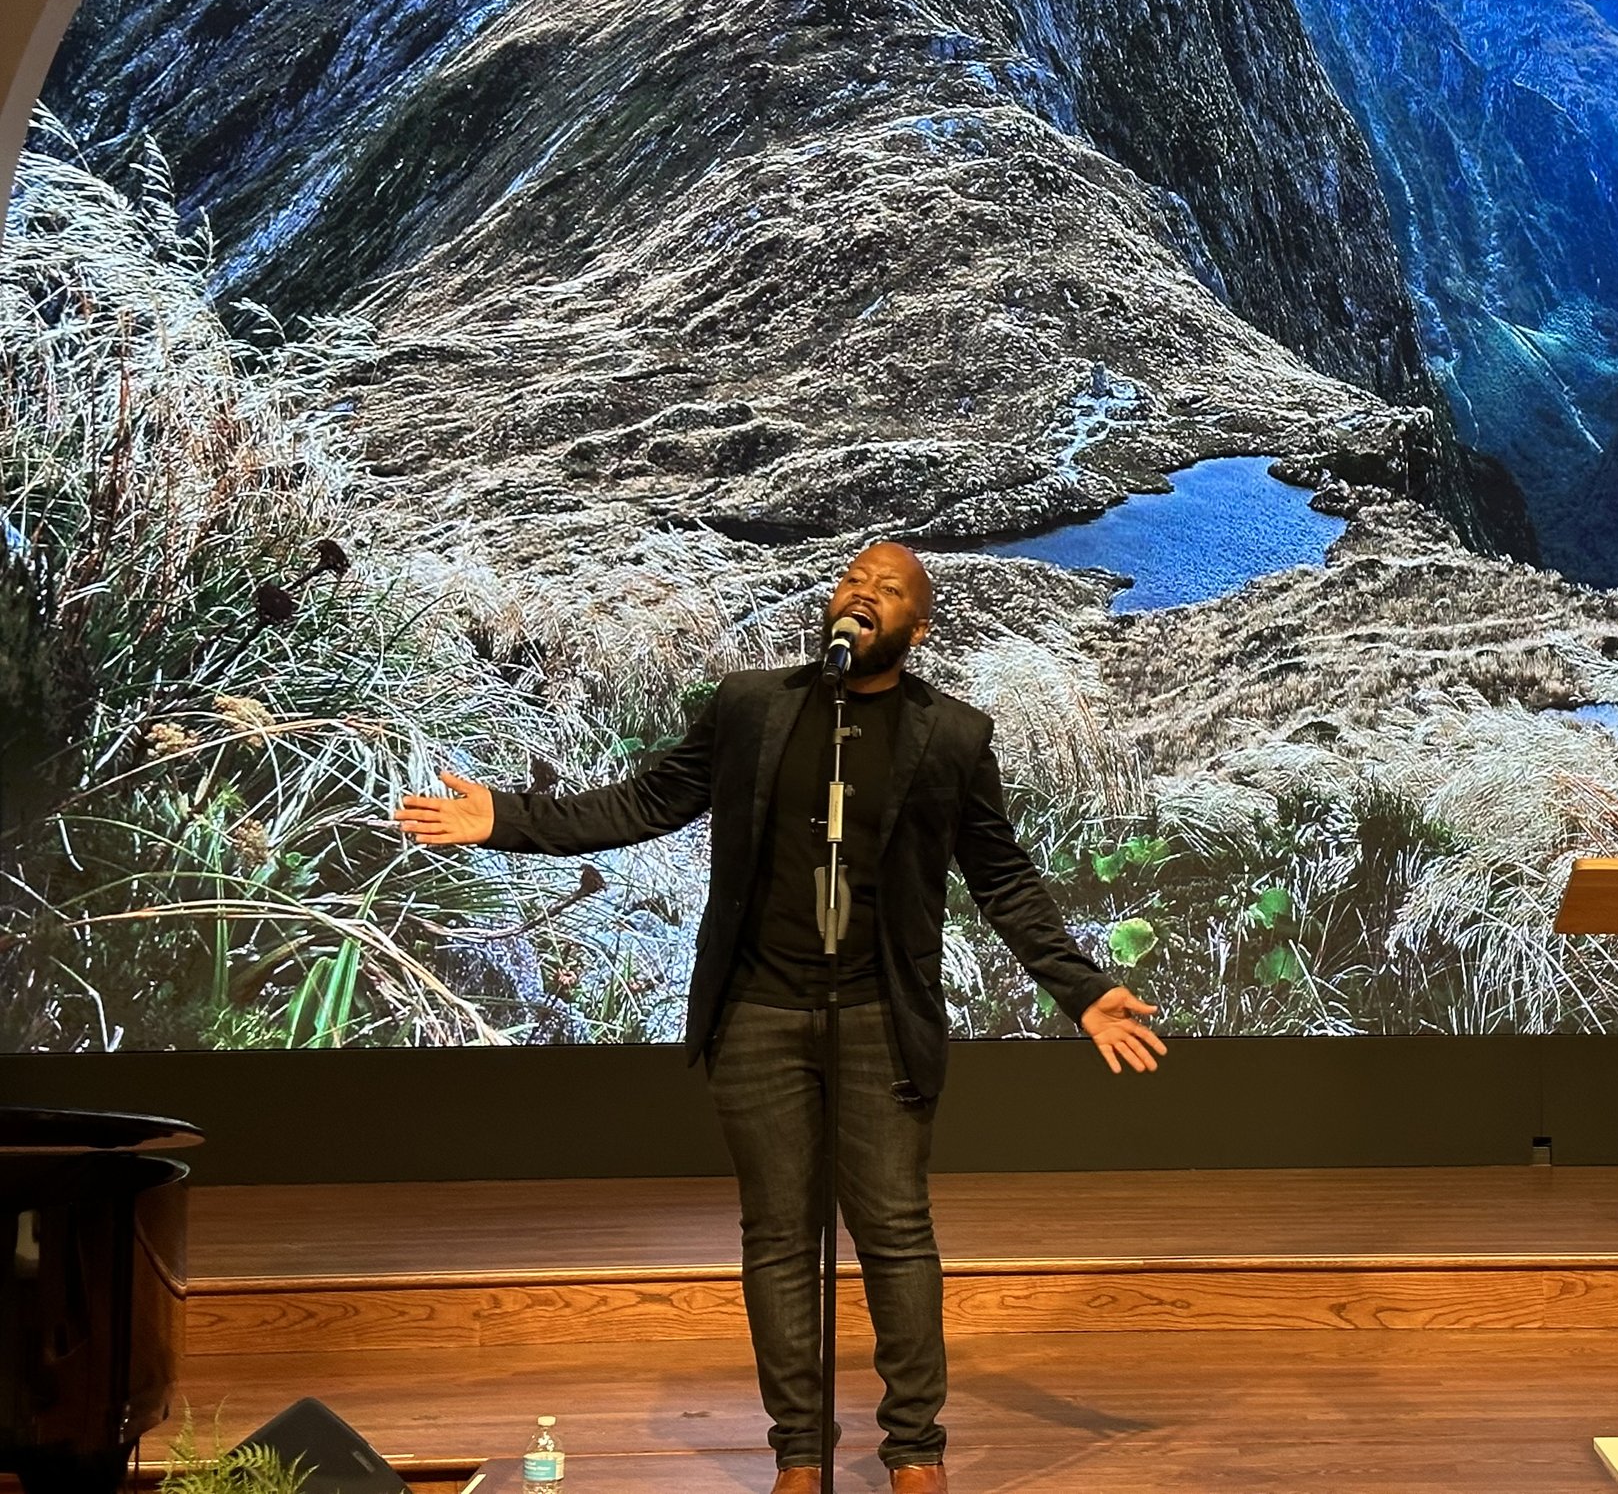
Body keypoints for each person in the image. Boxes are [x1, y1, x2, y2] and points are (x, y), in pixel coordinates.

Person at [394, 541, 1166, 1494]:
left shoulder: (954, 737)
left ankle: (915, 1451)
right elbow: (651, 798)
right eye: (852, 581)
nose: (860, 595)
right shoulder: (753, 706)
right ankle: (799, 1451)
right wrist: (508, 819)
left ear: (916, 630)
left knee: (894, 1231)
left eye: (885, 591)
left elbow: (1000, 877)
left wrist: (1081, 987)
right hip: (758, 1011)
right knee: (778, 1235)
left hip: (881, 1018)